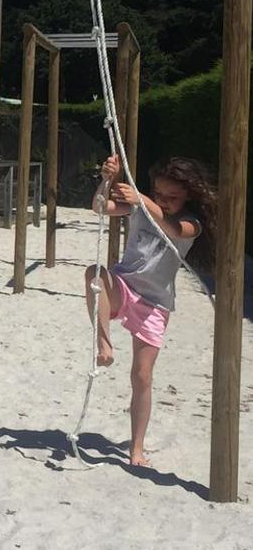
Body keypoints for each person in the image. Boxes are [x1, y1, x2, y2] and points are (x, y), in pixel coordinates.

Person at [84, 154, 216, 466]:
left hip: (155, 303)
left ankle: (137, 448)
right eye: (159, 194)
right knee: (94, 273)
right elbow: (100, 208)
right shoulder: (140, 208)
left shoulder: (192, 224)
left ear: (188, 196)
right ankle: (104, 344)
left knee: (142, 376)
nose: (164, 201)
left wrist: (142, 199)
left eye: (172, 197)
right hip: (124, 286)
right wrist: (106, 180)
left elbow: (174, 229)